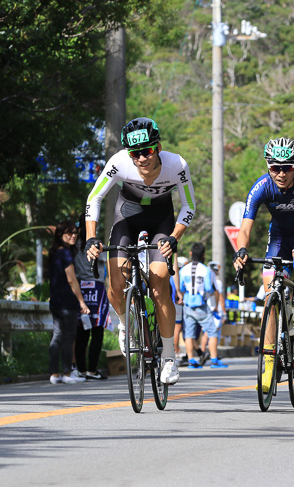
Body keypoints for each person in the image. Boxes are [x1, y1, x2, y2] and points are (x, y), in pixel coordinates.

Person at [85, 117, 196, 386]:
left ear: (158, 147)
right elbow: (94, 198)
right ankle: (124, 324)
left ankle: (169, 358)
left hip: (162, 220)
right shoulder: (119, 162)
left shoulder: (176, 165)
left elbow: (189, 205)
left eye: (147, 151)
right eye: (135, 153)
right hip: (127, 215)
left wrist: (174, 236)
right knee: (116, 282)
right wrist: (90, 238)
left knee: (159, 281)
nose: (141, 159)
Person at [233, 136, 294, 392]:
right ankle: (269, 362)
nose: (281, 173)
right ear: (268, 166)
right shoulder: (261, 187)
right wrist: (241, 251)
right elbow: (244, 229)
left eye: (287, 167)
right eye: (275, 167)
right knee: (269, 294)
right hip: (278, 236)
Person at [48, 221, 89, 385]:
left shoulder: (54, 253)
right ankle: (66, 373)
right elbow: (72, 280)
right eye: (69, 233)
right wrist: (82, 302)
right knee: (68, 337)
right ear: (60, 235)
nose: (73, 236)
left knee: (57, 336)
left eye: (75, 233)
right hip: (67, 302)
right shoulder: (65, 254)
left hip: (56, 301)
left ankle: (54, 374)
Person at [72, 215, 110, 380]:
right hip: (97, 288)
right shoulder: (96, 244)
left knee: (82, 330)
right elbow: (107, 262)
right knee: (97, 330)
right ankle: (92, 370)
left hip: (80, 288)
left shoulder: (74, 245)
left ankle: (81, 369)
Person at [180, 243, 227, 369]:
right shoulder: (206, 270)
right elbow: (209, 288)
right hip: (201, 304)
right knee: (212, 332)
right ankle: (214, 360)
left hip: (188, 304)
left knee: (189, 334)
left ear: (190, 253)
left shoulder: (183, 270)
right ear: (203, 255)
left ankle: (191, 360)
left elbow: (180, 287)